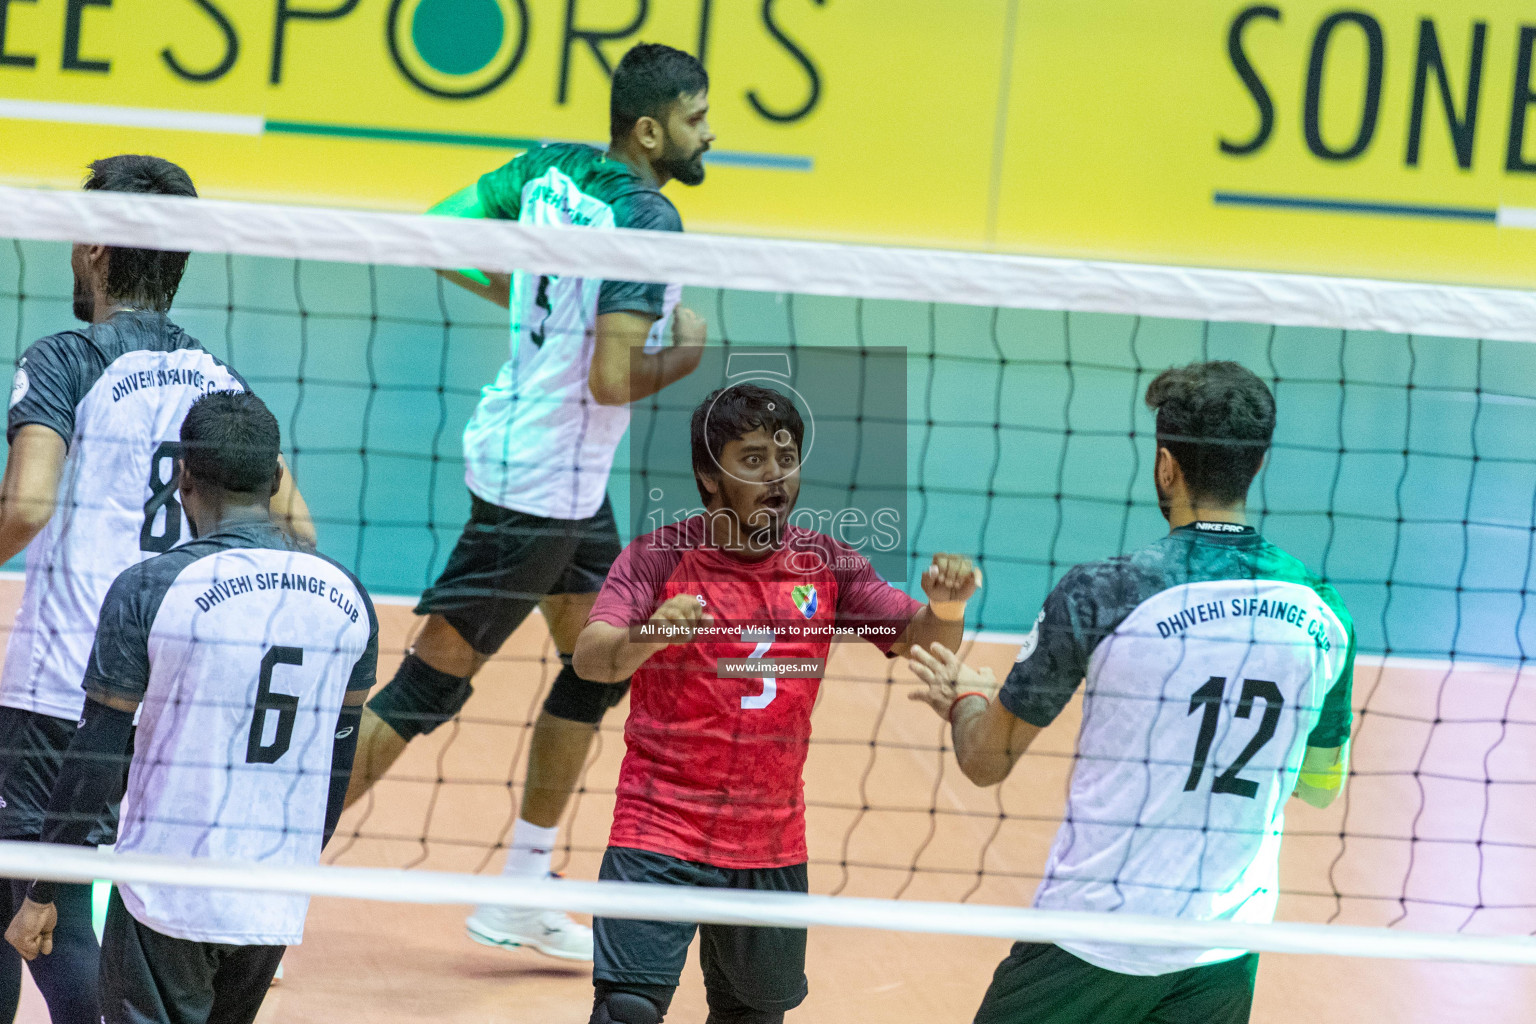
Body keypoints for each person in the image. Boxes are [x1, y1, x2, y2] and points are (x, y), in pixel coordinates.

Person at [344, 41, 712, 960]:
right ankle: (262, 857)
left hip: (555, 478)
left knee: (599, 669)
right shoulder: (646, 219)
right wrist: (692, 356)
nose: (710, 134)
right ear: (650, 129)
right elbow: (613, 376)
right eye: (698, 118)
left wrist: (530, 304)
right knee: (426, 687)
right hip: (540, 489)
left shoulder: (549, 168)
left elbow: (442, 231)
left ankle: (521, 891)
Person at [907, 361, 1355, 1024]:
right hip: (1224, 948)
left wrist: (964, 698)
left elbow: (985, 762)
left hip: (1091, 938)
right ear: (1256, 467)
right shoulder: (1324, 610)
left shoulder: (1106, 594)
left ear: (1166, 466)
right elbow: (1320, 784)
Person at [0, 155, 313, 1024]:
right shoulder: (220, 382)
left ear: (97, 246)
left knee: (40, 904)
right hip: (175, 705)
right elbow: (298, 534)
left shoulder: (68, 358)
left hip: (62, 690)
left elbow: (26, 503)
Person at [571, 383, 982, 1024]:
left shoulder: (827, 563)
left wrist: (947, 608)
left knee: (753, 1017)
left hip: (769, 839)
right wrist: (649, 635)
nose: (777, 479)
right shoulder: (657, 558)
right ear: (710, 477)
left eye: (786, 460)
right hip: (660, 824)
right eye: (753, 460)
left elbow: (917, 640)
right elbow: (591, 656)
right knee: (626, 1011)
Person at [4, 390, 377, 1024]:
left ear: (183, 480)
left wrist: (43, 891)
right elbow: (339, 765)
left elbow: (96, 754)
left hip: (167, 898)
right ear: (277, 476)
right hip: (271, 901)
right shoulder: (349, 598)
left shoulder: (150, 588)